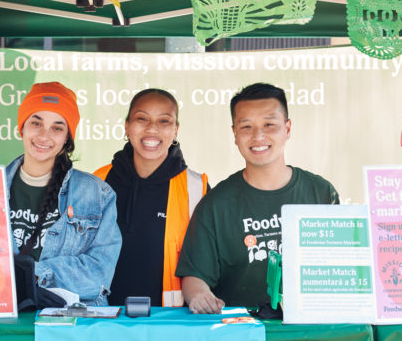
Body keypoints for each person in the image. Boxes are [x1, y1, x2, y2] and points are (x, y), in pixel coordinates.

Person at [176, 82, 339, 313]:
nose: (258, 136)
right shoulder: (216, 204)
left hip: (309, 329)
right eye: (246, 127)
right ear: (234, 134)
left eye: (269, 124)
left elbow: (342, 267)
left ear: (288, 128)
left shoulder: (321, 193)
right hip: (242, 330)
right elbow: (194, 277)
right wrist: (200, 296)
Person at [6, 81, 121, 305]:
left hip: (71, 323)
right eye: (36, 123)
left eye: (57, 127)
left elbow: (99, 273)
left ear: (67, 137)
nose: (44, 135)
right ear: (21, 127)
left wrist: (31, 275)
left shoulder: (98, 194)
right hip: (2, 322)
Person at [94, 88, 208, 307]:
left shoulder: (196, 188)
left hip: (169, 322)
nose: (152, 128)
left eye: (164, 121)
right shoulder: (98, 183)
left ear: (176, 130)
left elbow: (203, 266)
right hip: (106, 319)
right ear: (127, 126)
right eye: (142, 118)